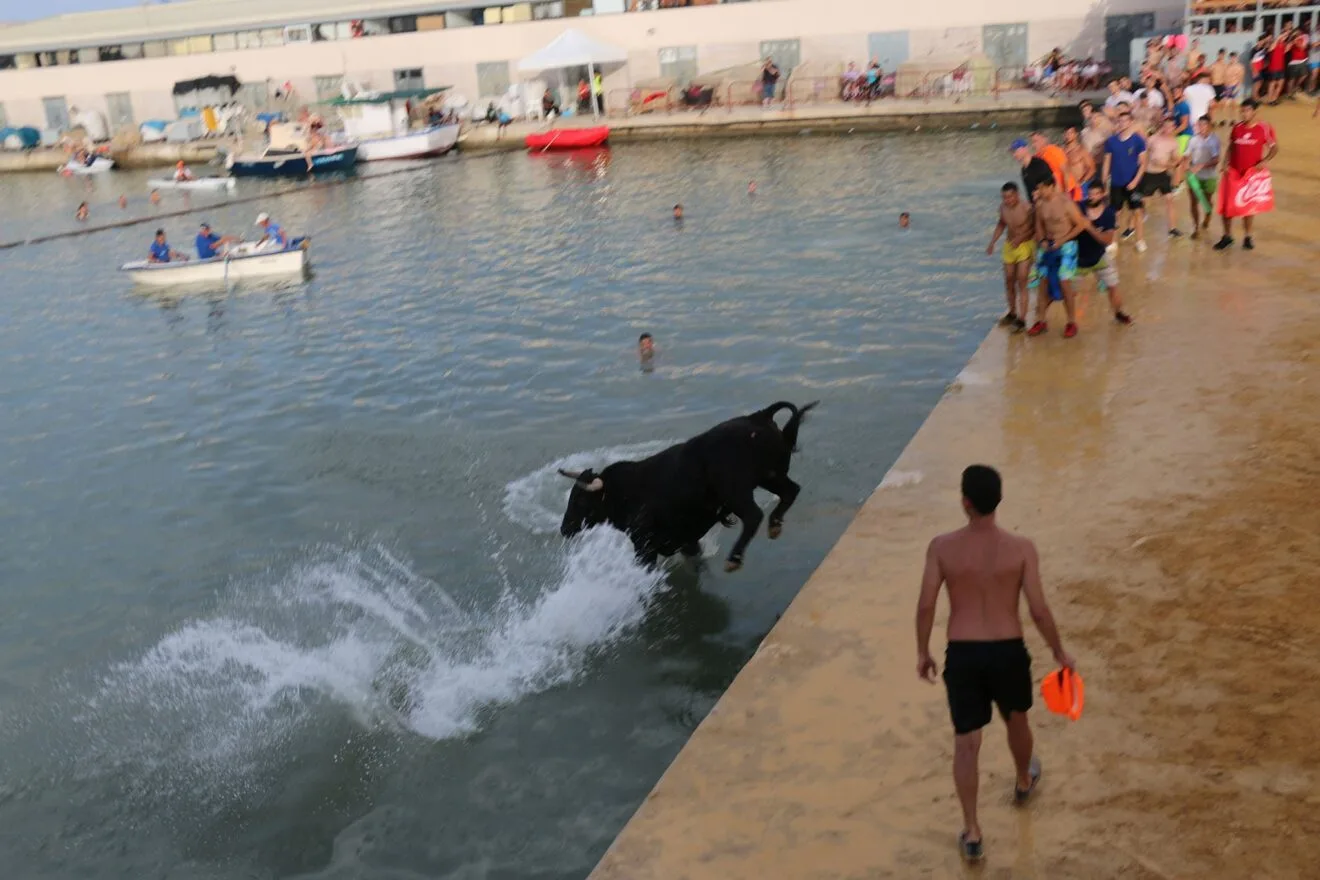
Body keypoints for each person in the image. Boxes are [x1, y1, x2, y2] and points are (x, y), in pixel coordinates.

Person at [916, 464, 1075, 864]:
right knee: (1016, 718)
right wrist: (1058, 651)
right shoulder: (1022, 548)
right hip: (1008, 650)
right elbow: (1038, 610)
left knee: (967, 742)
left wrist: (923, 651)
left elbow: (926, 604)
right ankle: (1024, 779)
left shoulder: (942, 547)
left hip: (964, 652)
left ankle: (972, 831)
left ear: (965, 502)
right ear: (998, 500)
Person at [1026, 176, 1085, 338]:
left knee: (1064, 282)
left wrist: (1063, 240)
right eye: (1038, 188)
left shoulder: (1066, 203)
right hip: (1047, 245)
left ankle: (1072, 322)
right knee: (1043, 283)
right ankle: (1041, 320)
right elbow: (1039, 225)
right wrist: (1042, 240)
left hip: (1066, 245)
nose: (1040, 191)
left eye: (1042, 188)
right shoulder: (1040, 205)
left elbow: (1081, 224)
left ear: (1051, 187)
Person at [1215, 99, 1277, 251]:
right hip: (1234, 172)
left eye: (1247, 110)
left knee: (1248, 207)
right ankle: (1227, 236)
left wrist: (1264, 161)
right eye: (1242, 110)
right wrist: (1224, 163)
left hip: (1251, 175)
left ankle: (1248, 237)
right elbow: (1231, 146)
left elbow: (1274, 148)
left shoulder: (1264, 128)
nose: (1244, 113)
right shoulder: (1237, 127)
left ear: (1255, 111)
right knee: (1227, 206)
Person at [1073, 189, 1133, 325]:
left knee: (1113, 286)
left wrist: (1089, 227)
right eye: (1090, 194)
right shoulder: (1078, 206)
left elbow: (1108, 240)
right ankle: (1069, 320)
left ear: (1102, 195)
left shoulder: (1109, 213)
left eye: (1095, 194)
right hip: (1079, 258)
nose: (1092, 197)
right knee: (1069, 292)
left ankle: (1119, 313)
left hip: (1100, 256)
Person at [985, 182, 1034, 331]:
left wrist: (1022, 238)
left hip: (1025, 245)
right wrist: (992, 242)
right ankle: (1012, 312)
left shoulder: (1027, 208)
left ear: (1017, 195)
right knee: (1009, 280)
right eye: (1004, 197)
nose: (1007, 200)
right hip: (1009, 246)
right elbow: (1001, 224)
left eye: (1010, 196)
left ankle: (1022, 319)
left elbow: (1034, 228)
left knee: (1022, 280)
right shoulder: (1003, 208)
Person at [1102, 108, 1148, 251]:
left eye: (1125, 121)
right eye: (1119, 121)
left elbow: (1143, 163)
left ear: (1131, 122)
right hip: (1116, 183)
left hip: (1134, 183)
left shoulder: (1138, 140)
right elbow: (1107, 162)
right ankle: (1113, 242)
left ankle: (1140, 240)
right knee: (1116, 213)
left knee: (1137, 211)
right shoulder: (1111, 141)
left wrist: (1135, 181)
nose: (1122, 124)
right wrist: (1104, 182)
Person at [1142, 116, 1184, 239]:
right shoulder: (1153, 139)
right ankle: (1132, 227)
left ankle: (1172, 228)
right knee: (1142, 203)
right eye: (1166, 126)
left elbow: (1176, 159)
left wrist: (1177, 163)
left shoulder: (1174, 142)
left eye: (1170, 127)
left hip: (1163, 175)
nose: (1168, 129)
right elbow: (1145, 155)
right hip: (1150, 174)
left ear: (1174, 128)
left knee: (1170, 201)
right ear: (1162, 126)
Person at [1183, 116, 1221, 238]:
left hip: (1209, 176)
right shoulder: (1192, 140)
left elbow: (1216, 160)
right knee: (1193, 202)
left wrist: (1201, 166)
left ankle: (1207, 218)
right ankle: (1196, 227)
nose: (1202, 127)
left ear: (1210, 126)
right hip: (1194, 176)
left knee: (1207, 202)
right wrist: (1186, 163)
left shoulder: (1215, 140)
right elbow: (1187, 155)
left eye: (1205, 125)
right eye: (1200, 125)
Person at [1030, 130, 1080, 200]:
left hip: (1069, 190)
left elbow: (1065, 172)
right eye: (1032, 142)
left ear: (1045, 139)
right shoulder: (1037, 157)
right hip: (1055, 193)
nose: (1034, 144)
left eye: (1036, 141)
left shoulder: (1055, 151)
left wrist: (1067, 192)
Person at [1062, 126, 1097, 195]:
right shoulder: (1062, 151)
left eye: (1070, 133)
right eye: (1066, 133)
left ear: (1076, 134)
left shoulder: (1082, 150)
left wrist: (1082, 182)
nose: (1068, 135)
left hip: (1079, 186)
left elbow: (1092, 169)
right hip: (1066, 188)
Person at [1223, 52, 1245, 124]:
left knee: (1235, 105)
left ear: (1237, 58)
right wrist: (1225, 87)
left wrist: (1237, 88)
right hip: (1228, 87)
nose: (1233, 59)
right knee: (1226, 104)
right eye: (1231, 58)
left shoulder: (1240, 67)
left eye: (1234, 58)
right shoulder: (1227, 66)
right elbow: (1225, 77)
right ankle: (1225, 120)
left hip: (1236, 86)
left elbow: (1241, 79)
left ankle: (1234, 120)